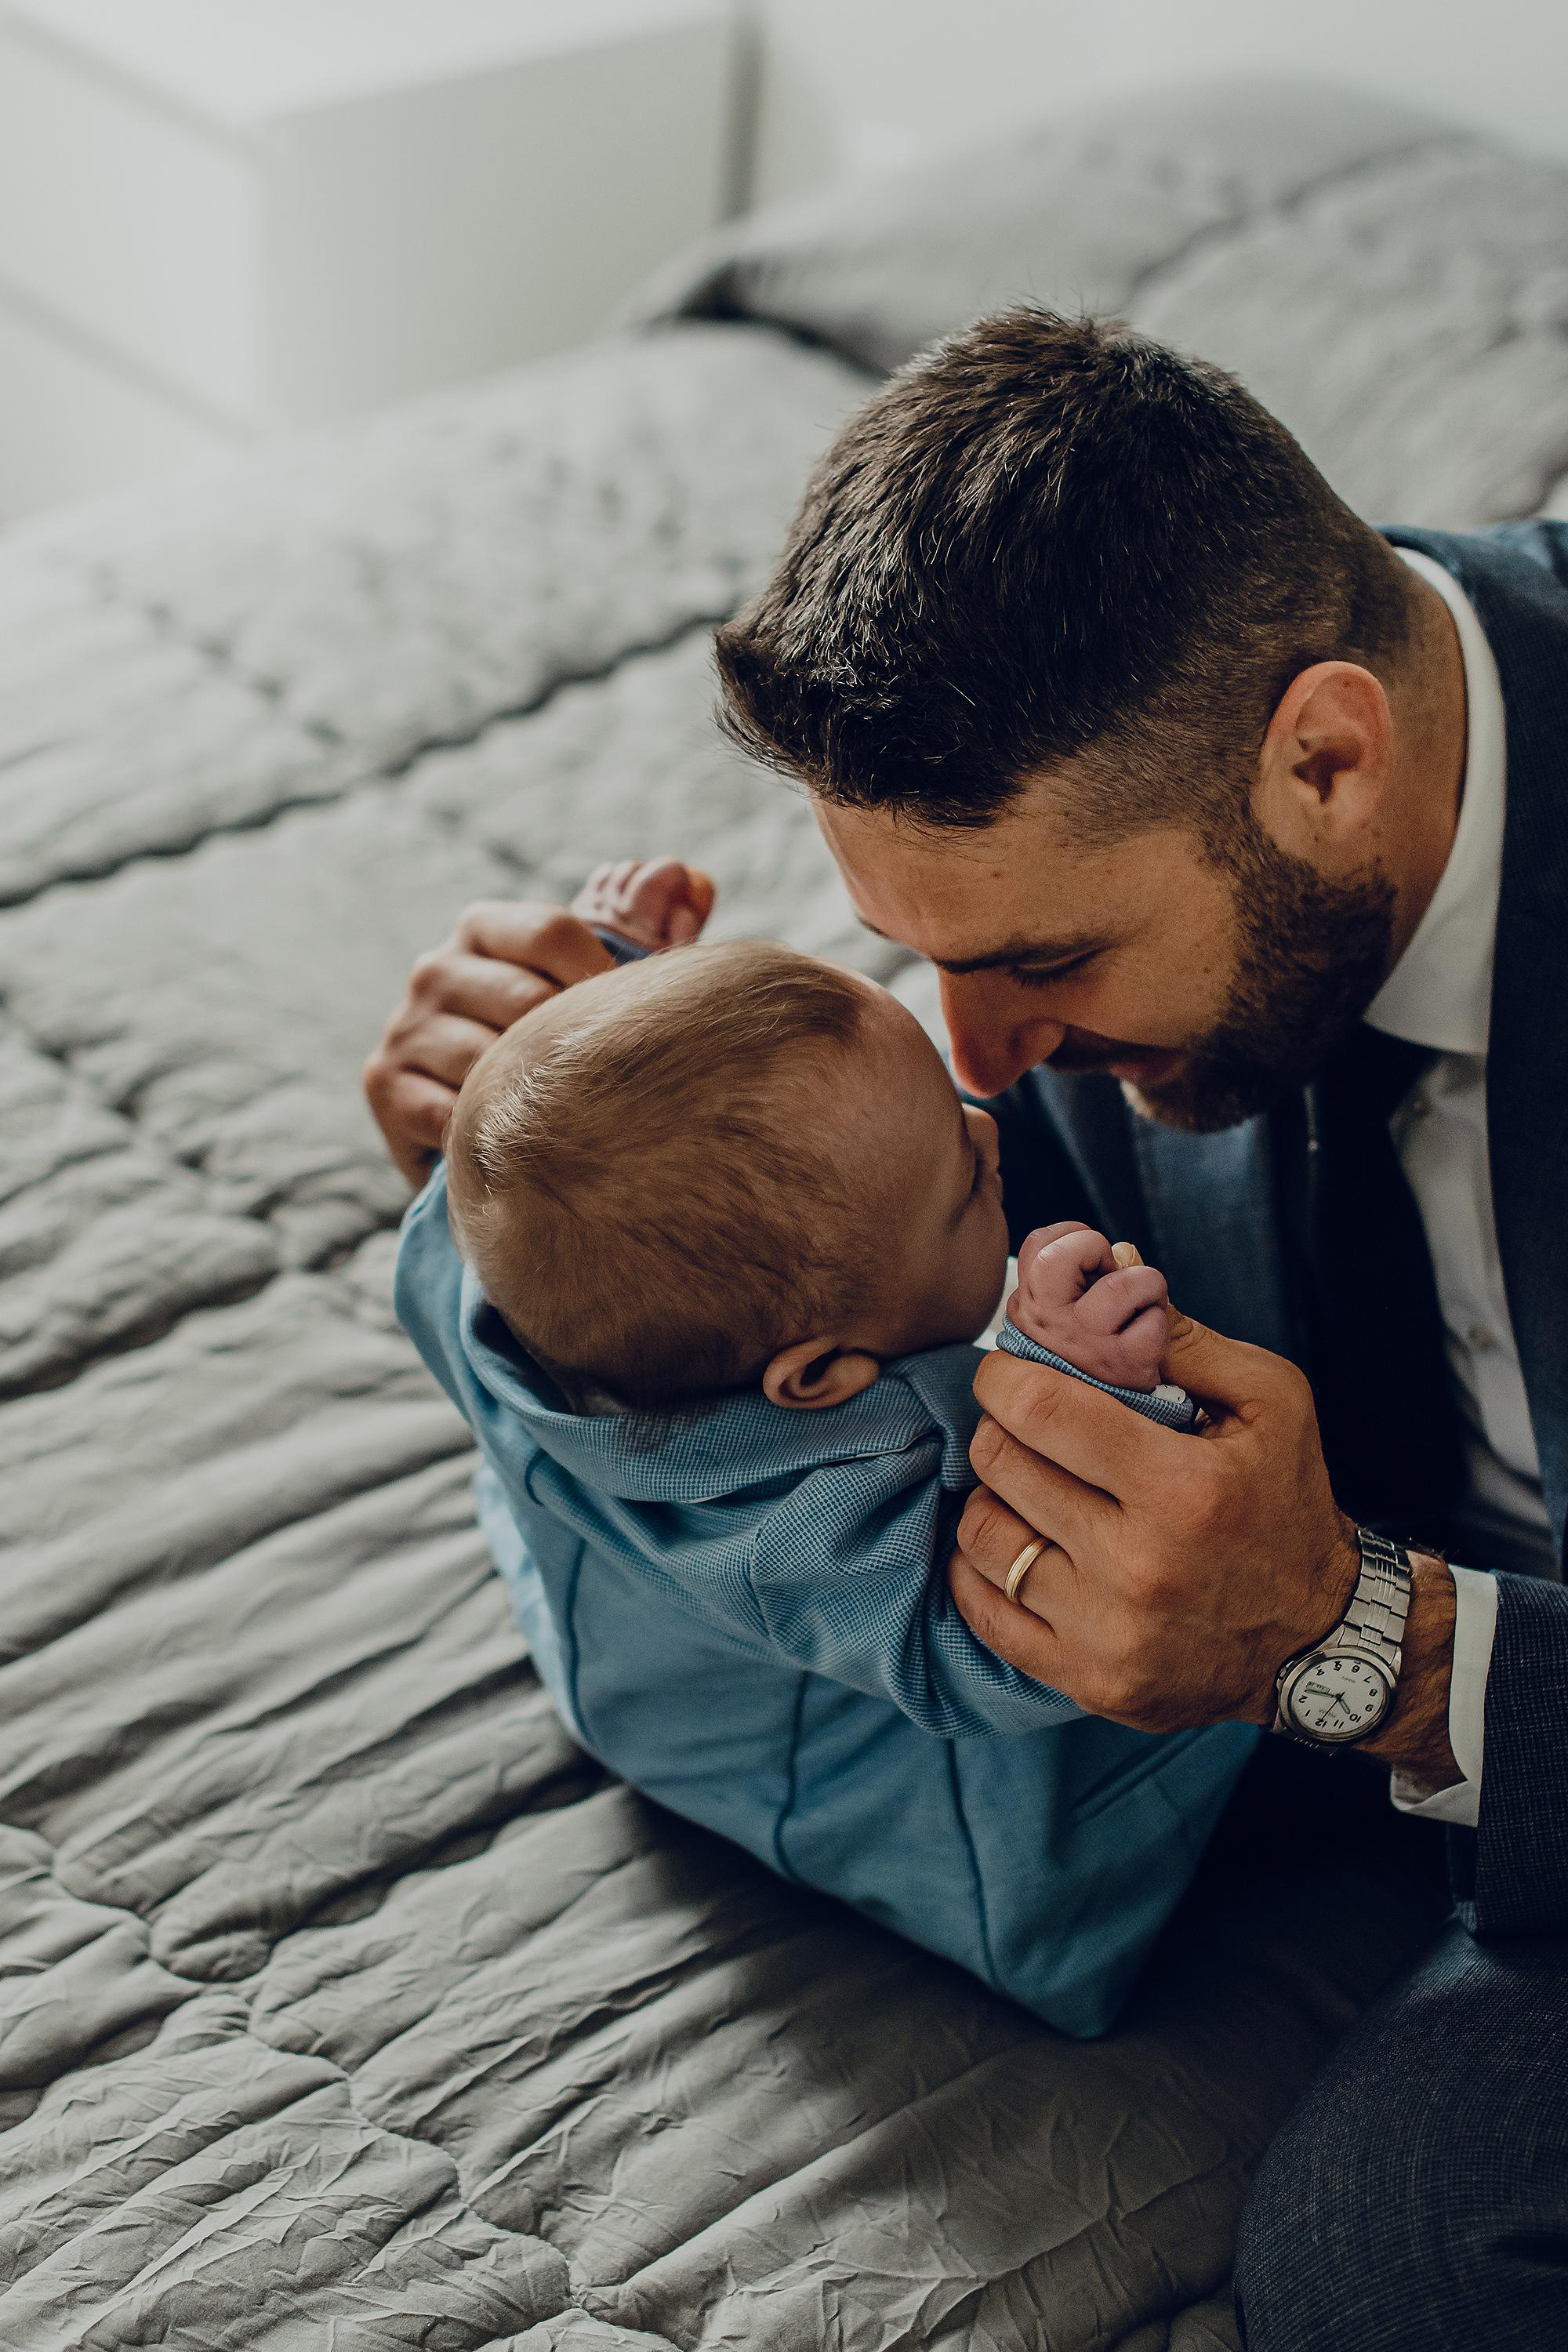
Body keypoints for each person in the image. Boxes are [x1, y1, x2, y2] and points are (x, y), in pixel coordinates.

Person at [365, 311, 1568, 2348]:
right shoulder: (1113, 809)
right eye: (917, 960)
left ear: (1330, 760)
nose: (980, 1065)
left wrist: (1367, 1644)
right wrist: (545, 1162)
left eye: (1043, 962)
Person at [395, 887, 1247, 2034]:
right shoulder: (815, 1536)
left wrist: (625, 977)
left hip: (612, 1640)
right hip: (920, 1818)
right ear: (820, 1380)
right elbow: (1014, 1642)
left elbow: (569, 1118)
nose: (988, 1128)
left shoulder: (467, 1266)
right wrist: (1082, 1384)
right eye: (960, 1188)